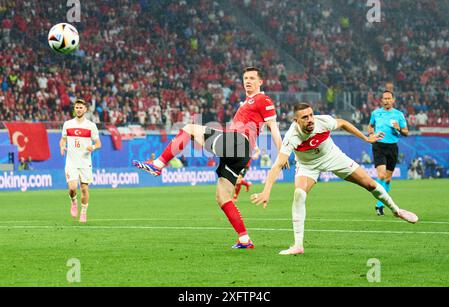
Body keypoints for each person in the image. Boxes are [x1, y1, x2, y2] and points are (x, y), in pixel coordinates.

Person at [132, 67, 284, 249]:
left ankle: (158, 164)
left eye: (252, 78)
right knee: (223, 197)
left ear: (261, 82)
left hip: (238, 143)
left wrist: (282, 155)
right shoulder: (246, 103)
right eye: (245, 78)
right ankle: (244, 239)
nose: (248, 81)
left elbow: (273, 128)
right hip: (240, 153)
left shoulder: (262, 99)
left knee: (189, 128)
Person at [251, 103, 418, 255]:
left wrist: (366, 139)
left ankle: (397, 210)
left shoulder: (322, 121)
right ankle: (298, 245)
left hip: (333, 156)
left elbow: (343, 123)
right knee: (299, 194)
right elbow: (277, 165)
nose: (310, 120)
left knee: (370, 184)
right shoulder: (291, 136)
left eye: (311, 115)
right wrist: (266, 191)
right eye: (305, 117)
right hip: (308, 166)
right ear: (296, 121)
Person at [60, 99, 101, 223]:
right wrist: (62, 146)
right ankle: (73, 201)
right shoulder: (67, 124)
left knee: (84, 188)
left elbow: (98, 143)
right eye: (76, 107)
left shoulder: (91, 126)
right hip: (71, 161)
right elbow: (63, 139)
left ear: (85, 109)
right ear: (74, 109)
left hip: (84, 162)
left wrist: (92, 147)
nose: (78, 109)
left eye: (80, 107)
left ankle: (83, 212)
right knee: (72, 188)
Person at [368, 91, 408, 216]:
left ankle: (380, 205)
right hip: (379, 146)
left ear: (393, 100)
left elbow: (406, 132)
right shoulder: (376, 113)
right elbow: (370, 126)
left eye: (389, 98)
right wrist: (371, 135)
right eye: (384, 98)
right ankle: (378, 201)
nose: (386, 101)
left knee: (388, 179)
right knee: (381, 175)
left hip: (392, 147)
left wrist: (399, 129)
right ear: (381, 100)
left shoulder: (399, 115)